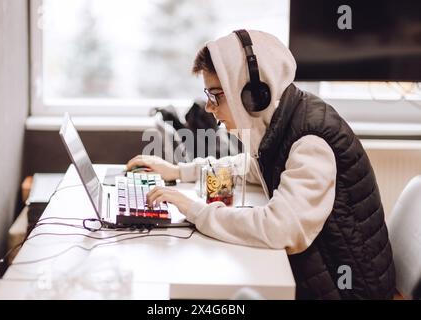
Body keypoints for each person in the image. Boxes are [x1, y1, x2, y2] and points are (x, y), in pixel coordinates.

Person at [127, 30, 395, 299]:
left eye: (216, 95)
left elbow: (281, 227)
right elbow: (252, 167)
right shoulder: (287, 119)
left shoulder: (311, 141)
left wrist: (196, 211)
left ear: (254, 94)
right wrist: (180, 171)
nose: (208, 108)